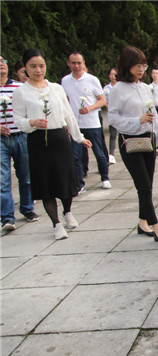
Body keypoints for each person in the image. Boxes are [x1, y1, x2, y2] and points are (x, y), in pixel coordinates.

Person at [12, 48, 92, 240]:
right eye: (33, 66)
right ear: (25, 68)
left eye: (41, 66)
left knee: (65, 179)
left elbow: (68, 114)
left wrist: (78, 137)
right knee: (46, 183)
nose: (38, 70)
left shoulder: (56, 88)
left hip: (59, 139)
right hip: (38, 140)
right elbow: (17, 119)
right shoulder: (21, 92)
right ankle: (56, 224)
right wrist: (31, 122)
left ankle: (67, 212)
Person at [108, 46, 158, 242]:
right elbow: (112, 118)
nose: (142, 69)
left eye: (144, 65)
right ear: (127, 66)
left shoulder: (145, 87)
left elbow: (154, 117)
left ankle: (142, 223)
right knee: (143, 185)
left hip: (148, 140)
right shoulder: (117, 90)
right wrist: (137, 121)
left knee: (148, 185)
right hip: (130, 142)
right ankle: (156, 226)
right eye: (138, 65)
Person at [61, 51, 111, 192]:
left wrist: (89, 108)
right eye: (73, 63)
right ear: (68, 64)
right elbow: (66, 101)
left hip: (92, 123)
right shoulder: (65, 81)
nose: (76, 66)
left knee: (98, 152)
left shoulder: (92, 79)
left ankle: (105, 177)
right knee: (75, 155)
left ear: (84, 63)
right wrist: (65, 121)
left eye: (79, 63)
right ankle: (79, 183)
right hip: (75, 124)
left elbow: (102, 100)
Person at [1, 55, 38, 231]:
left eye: (3, 61)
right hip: (1, 140)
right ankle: (7, 216)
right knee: (3, 179)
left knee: (26, 176)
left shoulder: (18, 88)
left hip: (21, 136)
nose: (1, 64)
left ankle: (27, 208)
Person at [103, 67, 118, 164]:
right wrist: (108, 106)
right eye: (111, 74)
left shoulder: (121, 86)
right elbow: (103, 100)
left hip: (123, 114)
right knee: (113, 135)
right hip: (112, 114)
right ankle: (111, 154)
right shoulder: (106, 88)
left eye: (115, 74)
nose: (113, 76)